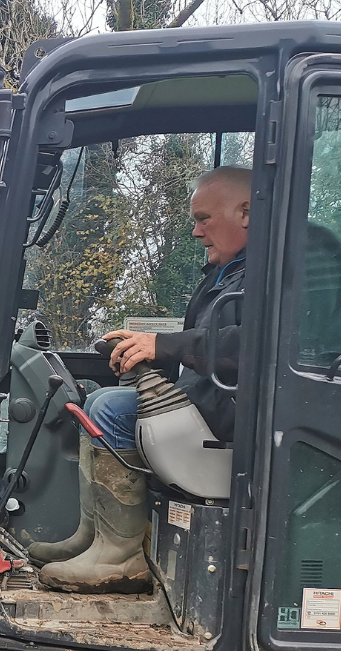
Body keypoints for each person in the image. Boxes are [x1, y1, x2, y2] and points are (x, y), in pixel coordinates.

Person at [31, 166, 252, 593]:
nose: (195, 231)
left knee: (112, 409)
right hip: (212, 399)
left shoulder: (270, 274)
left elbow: (248, 345)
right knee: (99, 401)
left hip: (238, 414)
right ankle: (95, 535)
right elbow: (200, 348)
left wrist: (162, 347)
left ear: (246, 212)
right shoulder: (227, 273)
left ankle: (122, 556)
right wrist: (143, 355)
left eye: (204, 218)